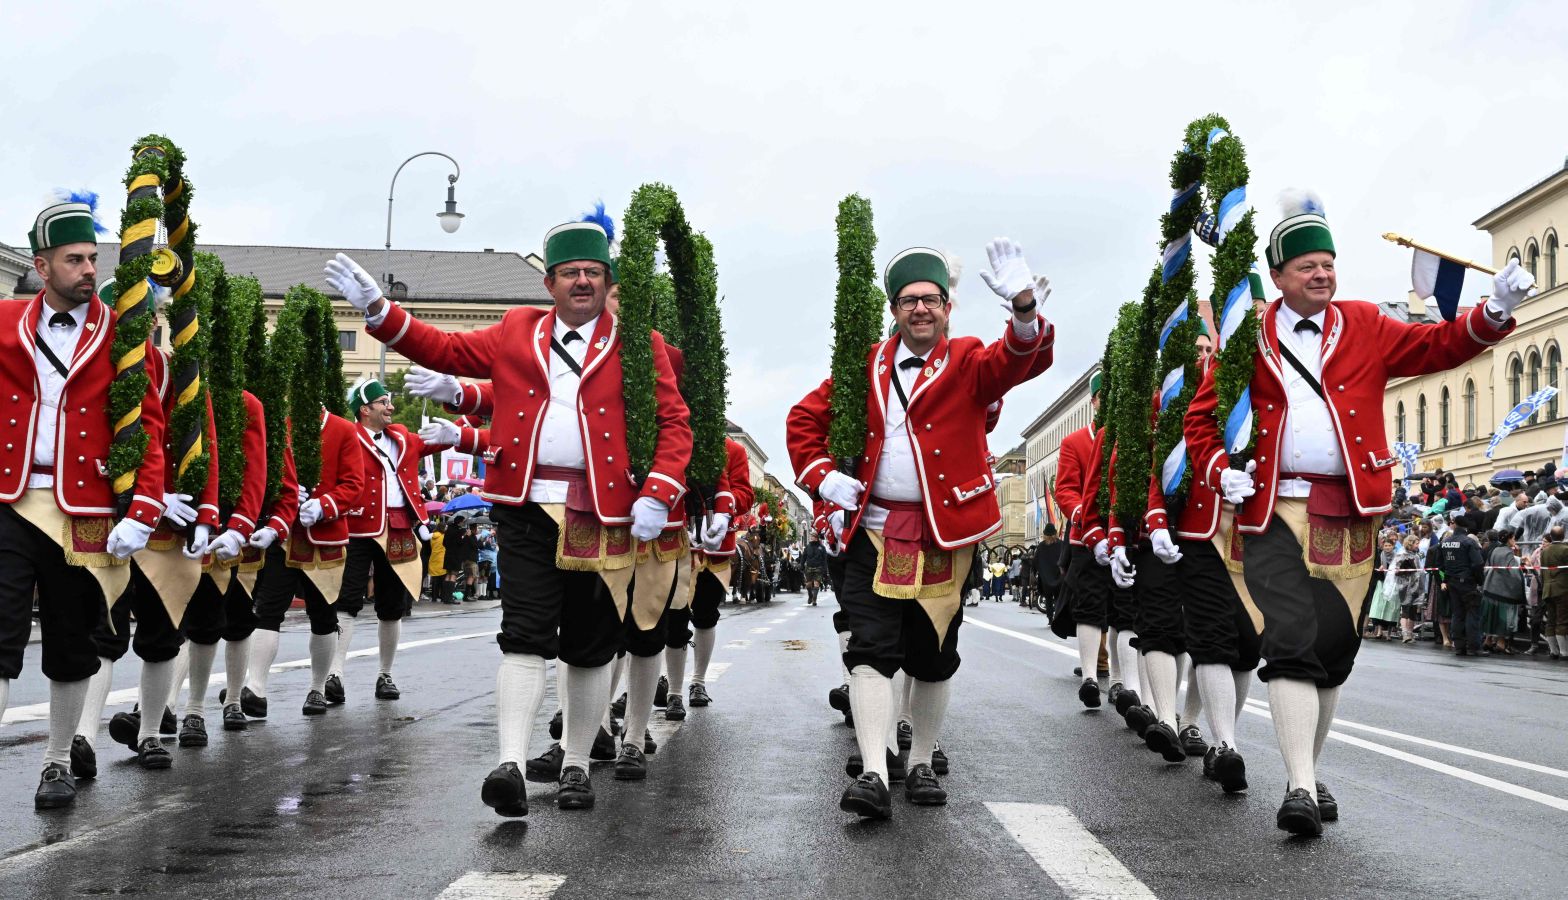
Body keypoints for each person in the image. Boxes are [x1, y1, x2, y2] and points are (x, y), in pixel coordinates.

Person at [1183, 188, 1531, 836]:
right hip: (1275, 509)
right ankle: (1298, 787)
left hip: (1352, 511)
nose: (1322, 273)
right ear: (1280, 277)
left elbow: (1439, 348)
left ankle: (1307, 775)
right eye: (1307, 266)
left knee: (1333, 653)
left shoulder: (1366, 324)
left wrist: (1496, 309)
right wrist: (1220, 470)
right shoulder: (1244, 342)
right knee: (1289, 639)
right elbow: (1201, 422)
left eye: (1328, 263)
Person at [330, 219, 691, 818]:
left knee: (589, 644)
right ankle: (511, 764)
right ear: (549, 282)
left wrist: (658, 490)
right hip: (523, 505)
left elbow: (675, 423)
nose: (583, 281)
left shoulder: (640, 344)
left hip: (600, 511)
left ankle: (575, 763)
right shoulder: (519, 329)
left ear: (608, 283)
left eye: (593, 273)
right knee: (524, 633)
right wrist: (378, 308)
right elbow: (443, 348)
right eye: (571, 273)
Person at [787, 239, 1054, 819]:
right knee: (870, 652)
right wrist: (823, 477)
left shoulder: (967, 359)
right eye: (908, 301)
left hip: (946, 534)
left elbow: (1016, 360)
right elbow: (804, 420)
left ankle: (924, 760)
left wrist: (1025, 308)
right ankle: (876, 774)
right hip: (872, 531)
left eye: (930, 300)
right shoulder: (863, 366)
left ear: (946, 307)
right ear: (894, 310)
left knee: (933, 655)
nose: (921, 310)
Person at [2, 201, 166, 809]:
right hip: (10, 499)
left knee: (73, 642)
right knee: (0, 634)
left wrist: (143, 509)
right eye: (74, 260)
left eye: (93, 259)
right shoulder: (2, 322)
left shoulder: (125, 338)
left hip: (85, 508)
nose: (87, 270)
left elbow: (147, 428)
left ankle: (55, 762)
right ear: (41, 266)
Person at [328, 379, 437, 705]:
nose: (390, 406)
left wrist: (467, 418)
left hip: (400, 527)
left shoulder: (403, 437)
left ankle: (384, 674)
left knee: (391, 606)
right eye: (384, 402)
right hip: (358, 527)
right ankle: (335, 673)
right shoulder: (348, 436)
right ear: (365, 409)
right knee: (347, 601)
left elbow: (440, 442)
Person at [1480, 529, 1524, 655]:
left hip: (1490, 587)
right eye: (1514, 538)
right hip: (1503, 590)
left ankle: (1488, 641)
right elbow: (1514, 572)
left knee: (1490, 617)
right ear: (1509, 539)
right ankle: (1501, 643)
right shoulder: (1507, 553)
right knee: (1503, 618)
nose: (1514, 541)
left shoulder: (1495, 549)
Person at [1538, 526, 1568, 659]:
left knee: (1551, 620)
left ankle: (1553, 651)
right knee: (1562, 620)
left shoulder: (1544, 551)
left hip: (1547, 589)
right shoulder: (1566, 550)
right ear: (1563, 536)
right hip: (1562, 589)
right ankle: (1564, 652)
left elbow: (1542, 571)